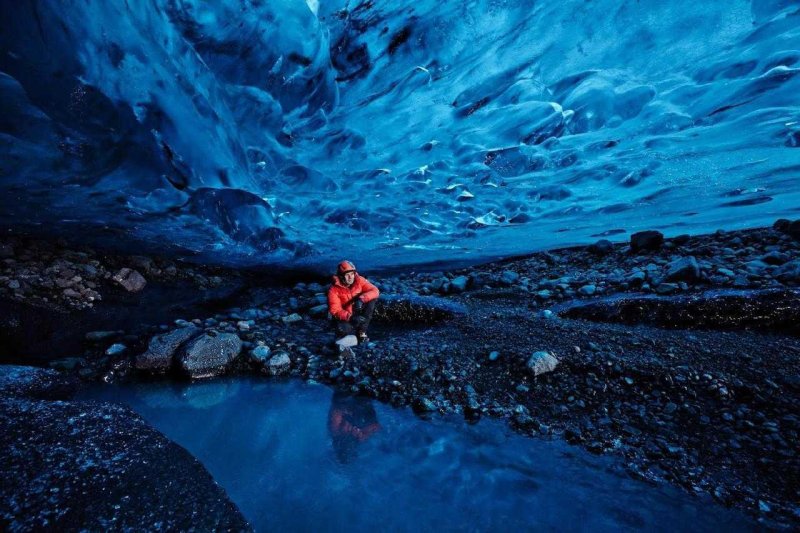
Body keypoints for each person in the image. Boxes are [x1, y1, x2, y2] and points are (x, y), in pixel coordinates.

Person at [327, 260, 379, 346]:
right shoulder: (333, 290)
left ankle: (362, 332)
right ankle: (344, 339)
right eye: (347, 275)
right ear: (341, 276)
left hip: (356, 310)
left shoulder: (359, 280)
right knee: (344, 331)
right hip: (346, 317)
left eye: (352, 274)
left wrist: (361, 299)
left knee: (371, 300)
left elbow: (375, 290)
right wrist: (350, 317)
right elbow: (335, 310)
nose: (350, 277)